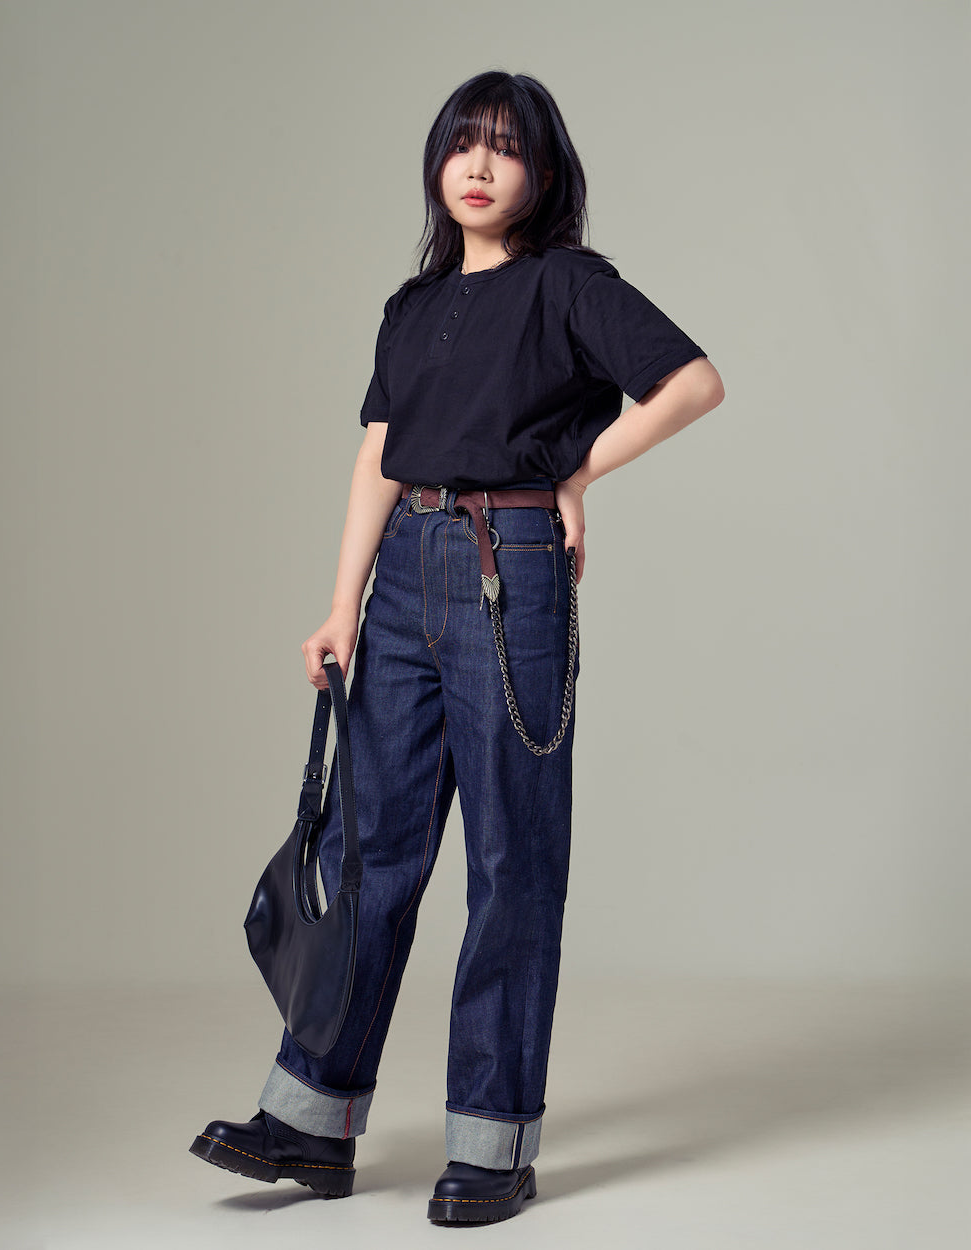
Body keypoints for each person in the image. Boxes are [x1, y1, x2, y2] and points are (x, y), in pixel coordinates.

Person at [190, 69, 724, 1225]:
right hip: (400, 581)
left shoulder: (566, 285)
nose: (479, 165)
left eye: (506, 146)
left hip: (505, 567)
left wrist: (574, 473)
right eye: (462, 143)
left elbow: (692, 382)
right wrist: (341, 605)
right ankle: (310, 1119)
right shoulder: (412, 305)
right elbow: (378, 455)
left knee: (508, 860)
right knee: (369, 850)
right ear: (437, 162)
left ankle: (492, 1142)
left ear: (544, 172)